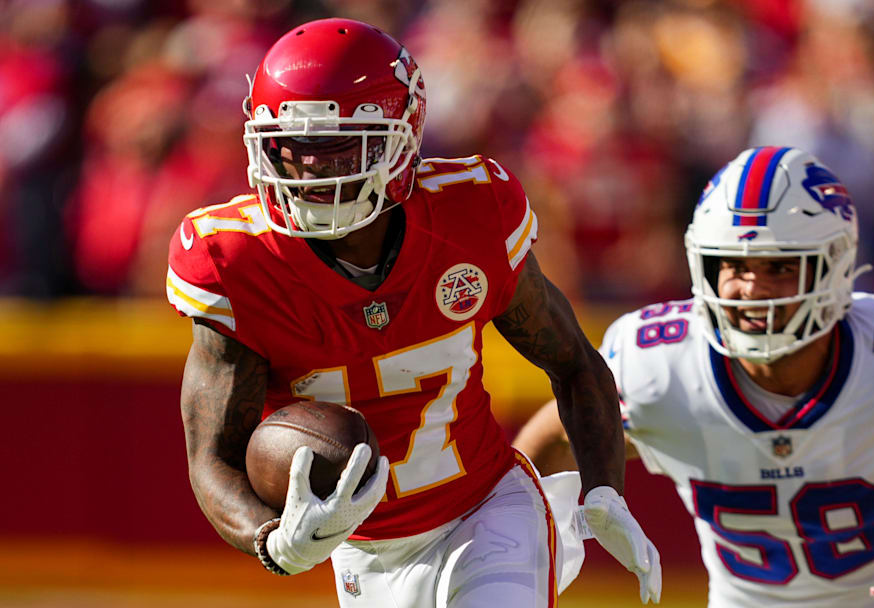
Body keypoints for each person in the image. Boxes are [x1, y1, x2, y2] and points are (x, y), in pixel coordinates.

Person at [165, 18, 661, 607]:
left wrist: (605, 492)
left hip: (486, 509)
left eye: (338, 142)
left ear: (401, 134)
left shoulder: (469, 213)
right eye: (291, 145)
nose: (313, 167)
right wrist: (273, 541)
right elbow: (212, 459)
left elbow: (574, 364)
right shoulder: (238, 258)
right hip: (364, 551)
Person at [513, 146, 874, 608]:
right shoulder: (657, 367)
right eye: (735, 265)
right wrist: (511, 570)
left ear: (833, 267)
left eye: (780, 267)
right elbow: (546, 447)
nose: (752, 289)